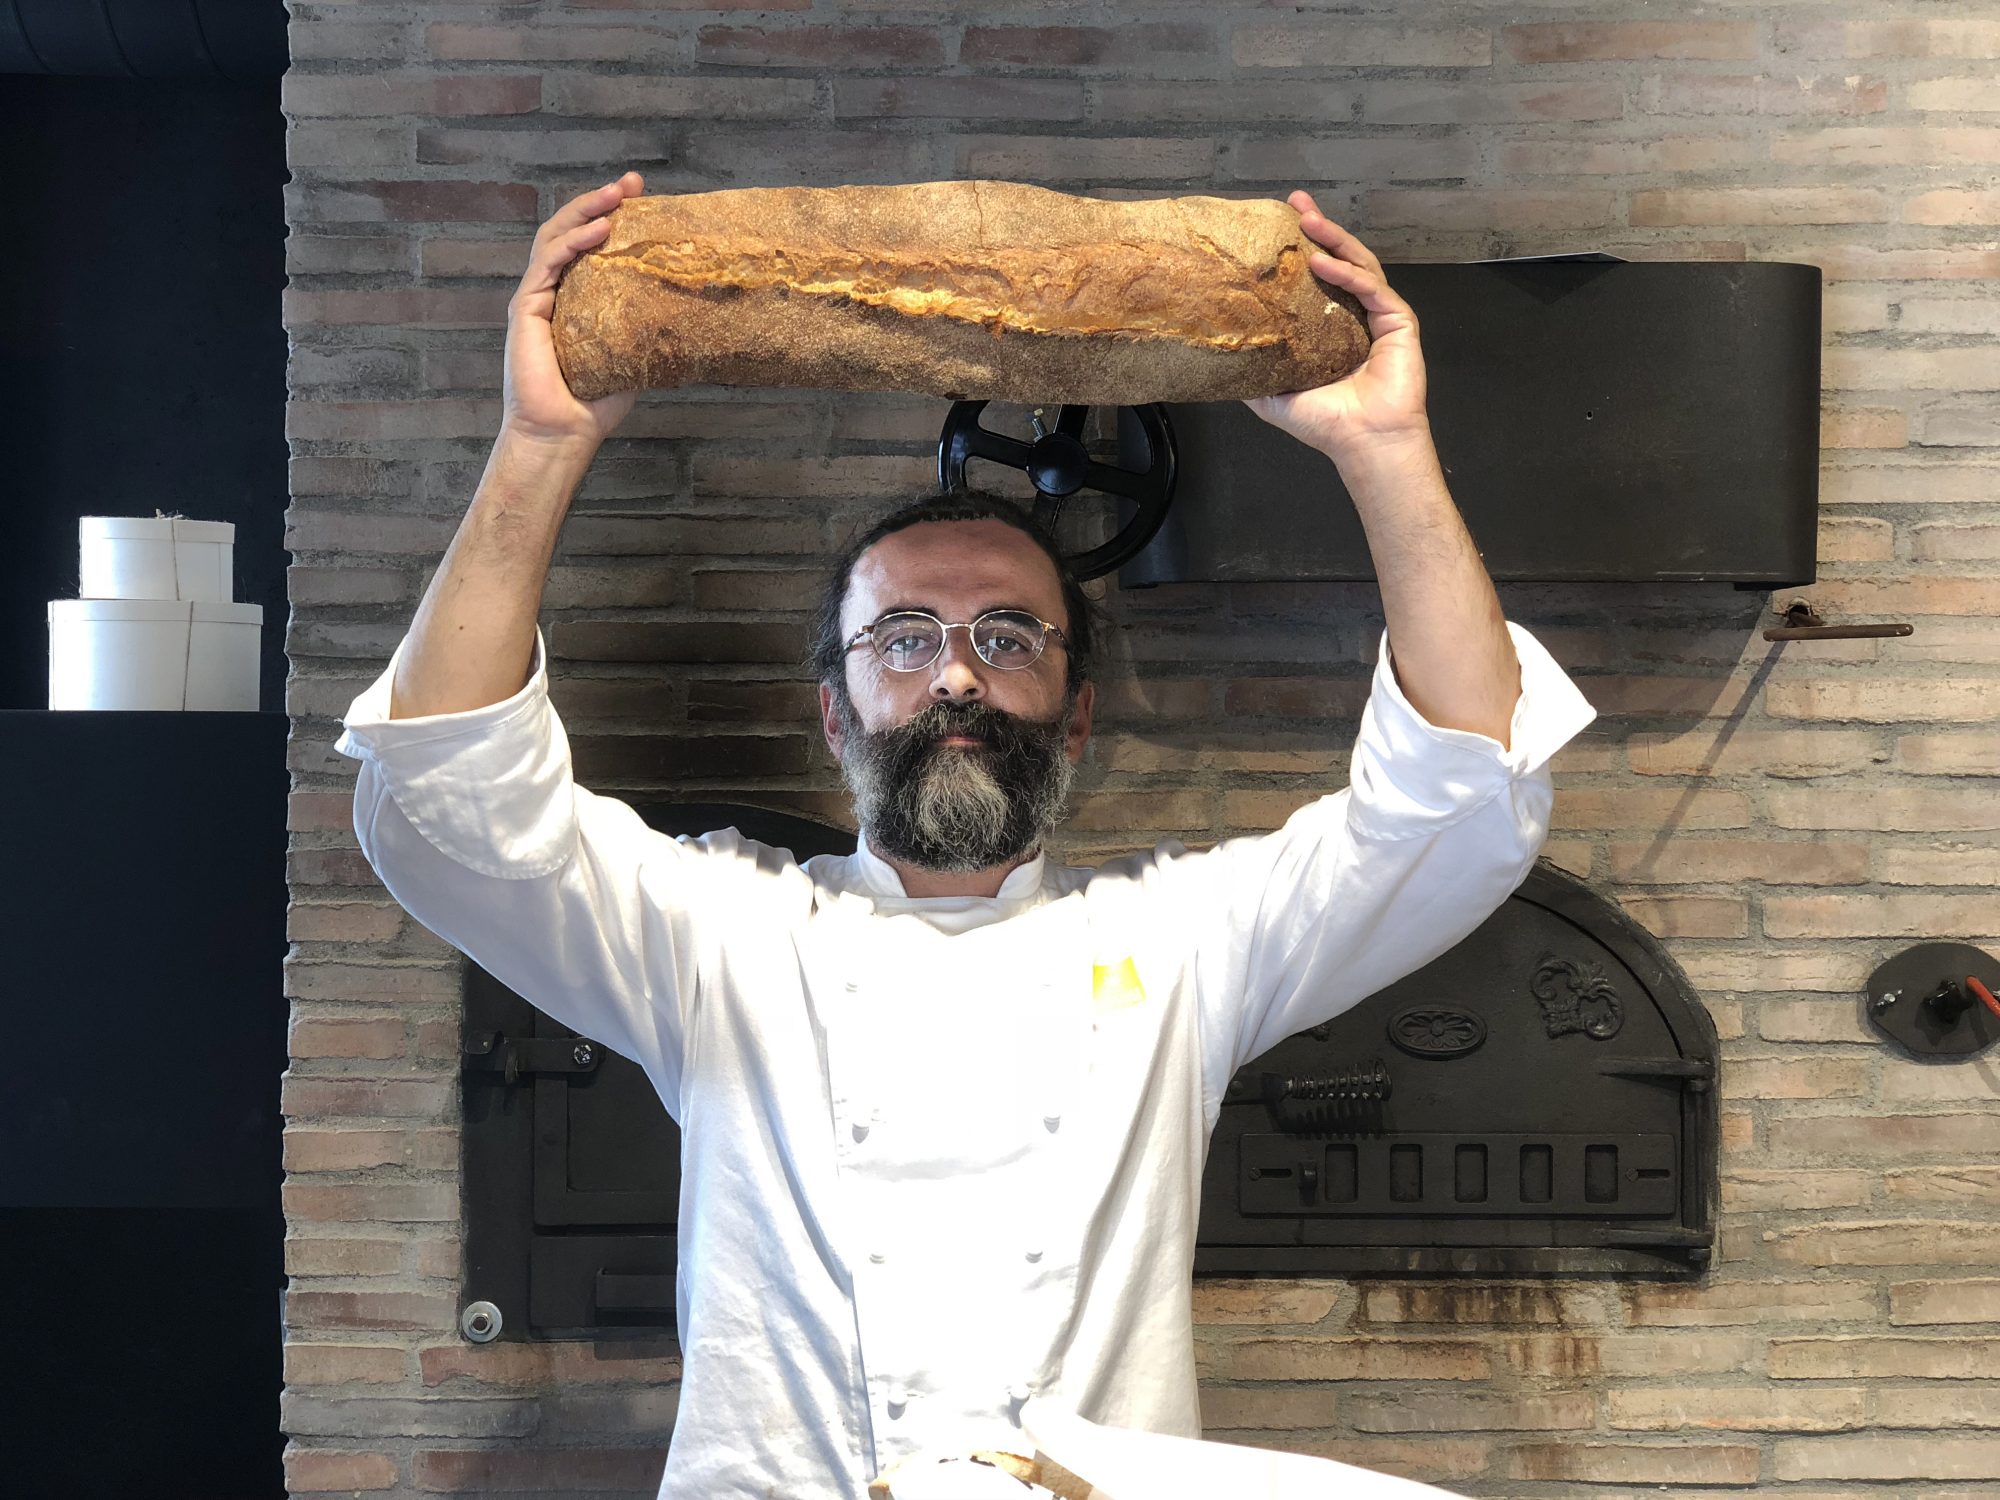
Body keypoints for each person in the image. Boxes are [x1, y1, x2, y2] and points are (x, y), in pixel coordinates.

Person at [336, 171, 1596, 1500]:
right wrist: (539, 445)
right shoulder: (715, 929)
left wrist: (1386, 453)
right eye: (905, 638)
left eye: (1007, 637)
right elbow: (446, 804)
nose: (956, 676)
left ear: (1078, 713)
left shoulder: (1180, 943)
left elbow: (1459, 803)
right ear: (834, 712)